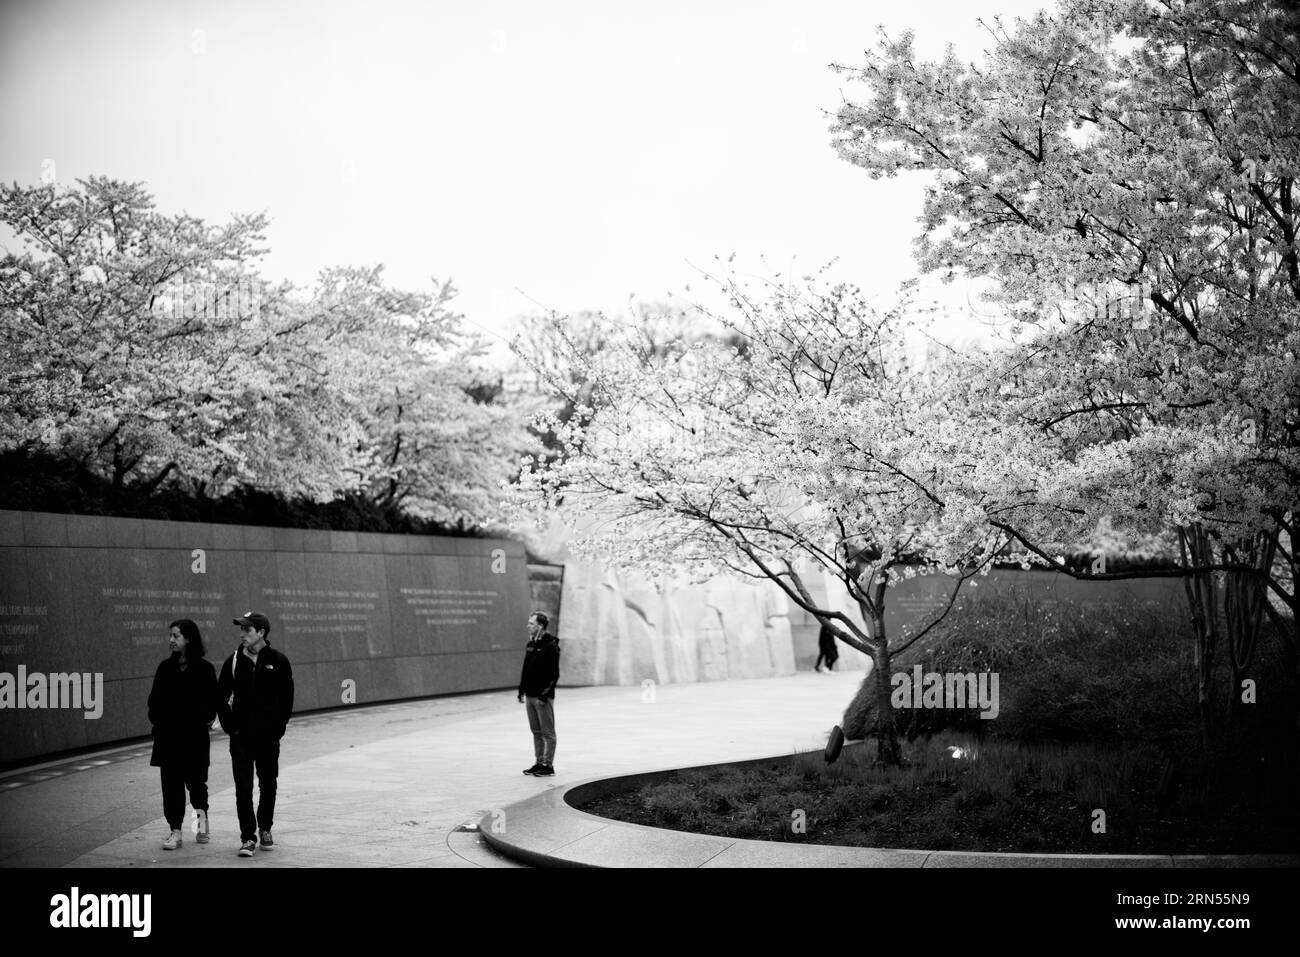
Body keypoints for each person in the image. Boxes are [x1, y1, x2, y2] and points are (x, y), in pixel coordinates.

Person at [216, 610, 294, 858]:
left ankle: (266, 828)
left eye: (247, 630)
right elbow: (220, 697)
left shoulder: (278, 661)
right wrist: (230, 726)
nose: (242, 634)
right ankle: (247, 837)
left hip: (268, 738)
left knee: (268, 783)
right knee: (243, 787)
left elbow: (286, 699)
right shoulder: (234, 661)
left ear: (261, 632)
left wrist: (277, 729)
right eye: (241, 629)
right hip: (240, 737)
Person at [147, 619, 218, 850]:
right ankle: (175, 831)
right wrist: (161, 722)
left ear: (188, 638)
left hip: (194, 738)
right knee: (171, 786)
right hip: (168, 739)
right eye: (170, 635)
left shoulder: (205, 669)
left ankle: (201, 824)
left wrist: (192, 716)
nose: (171, 640)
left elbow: (210, 705)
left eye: (176, 636)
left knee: (197, 786)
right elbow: (154, 703)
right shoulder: (164, 668)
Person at [518, 612, 560, 777]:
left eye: (531, 624)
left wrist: (544, 695)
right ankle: (539, 762)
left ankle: (548, 766)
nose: (528, 626)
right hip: (530, 695)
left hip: (543, 698)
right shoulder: (531, 644)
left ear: (540, 626)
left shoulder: (551, 646)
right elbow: (526, 669)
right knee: (536, 731)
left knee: (548, 733)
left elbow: (554, 675)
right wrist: (521, 690)